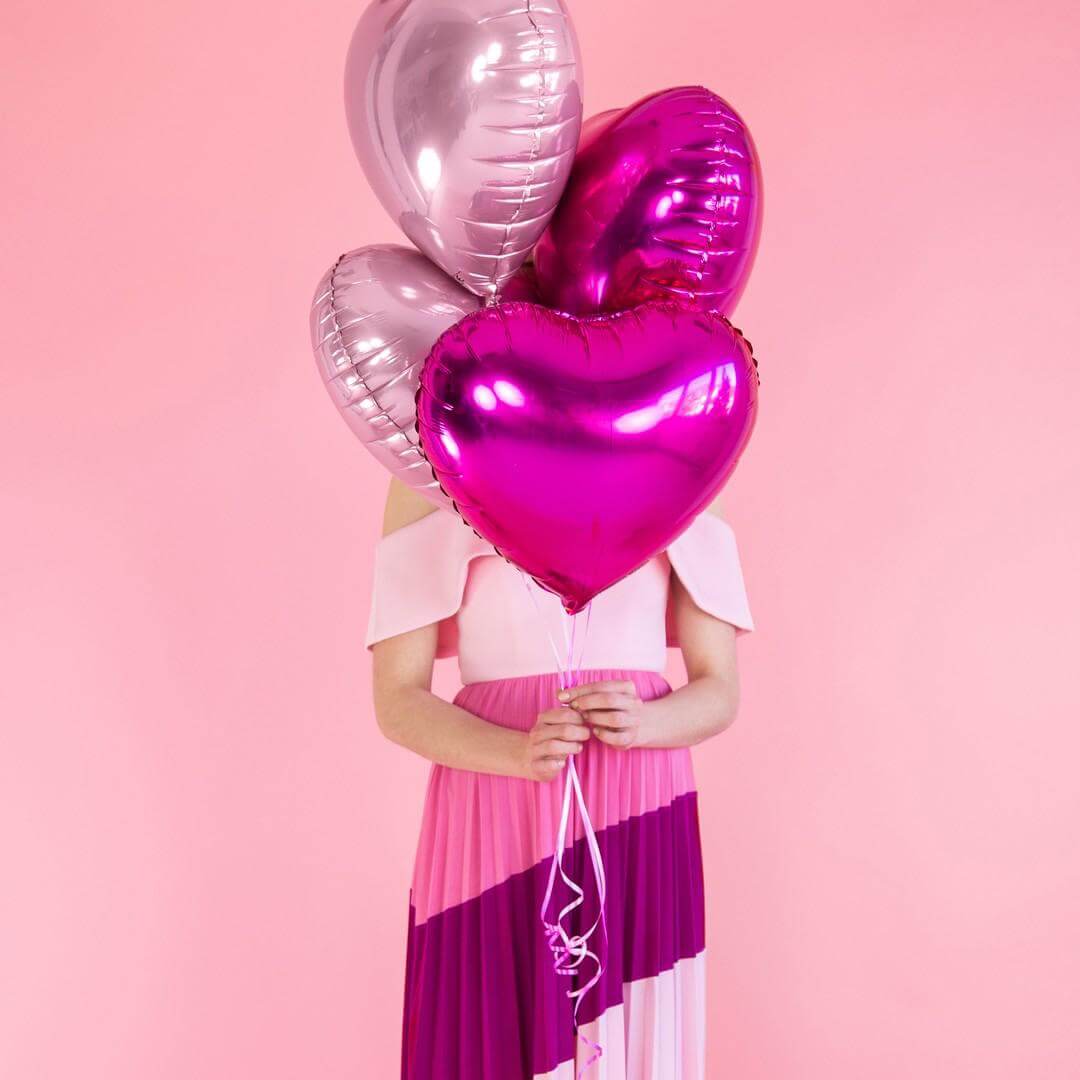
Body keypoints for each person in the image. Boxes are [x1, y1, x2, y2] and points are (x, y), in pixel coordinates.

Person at [368, 476, 754, 1079]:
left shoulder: (682, 456)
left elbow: (719, 690)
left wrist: (646, 723)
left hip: (638, 793)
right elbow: (397, 700)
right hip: (495, 793)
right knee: (487, 1021)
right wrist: (516, 754)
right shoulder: (428, 462)